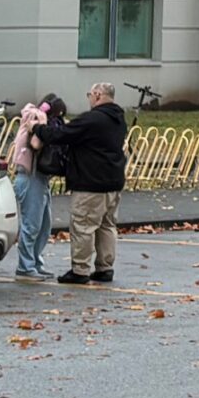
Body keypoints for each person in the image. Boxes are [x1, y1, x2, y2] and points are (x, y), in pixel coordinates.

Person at [56, 81, 129, 286]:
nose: (89, 98)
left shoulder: (92, 119)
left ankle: (80, 270)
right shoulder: (118, 119)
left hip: (90, 183)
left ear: (97, 95)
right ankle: (105, 268)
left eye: (90, 94)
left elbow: (62, 135)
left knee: (83, 226)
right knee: (107, 225)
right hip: (113, 182)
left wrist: (39, 129)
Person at [6, 93, 60, 280]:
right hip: (30, 177)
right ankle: (25, 266)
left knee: (44, 225)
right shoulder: (33, 119)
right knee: (32, 225)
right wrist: (42, 124)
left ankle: (35, 261)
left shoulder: (38, 119)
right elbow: (36, 144)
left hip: (41, 179)